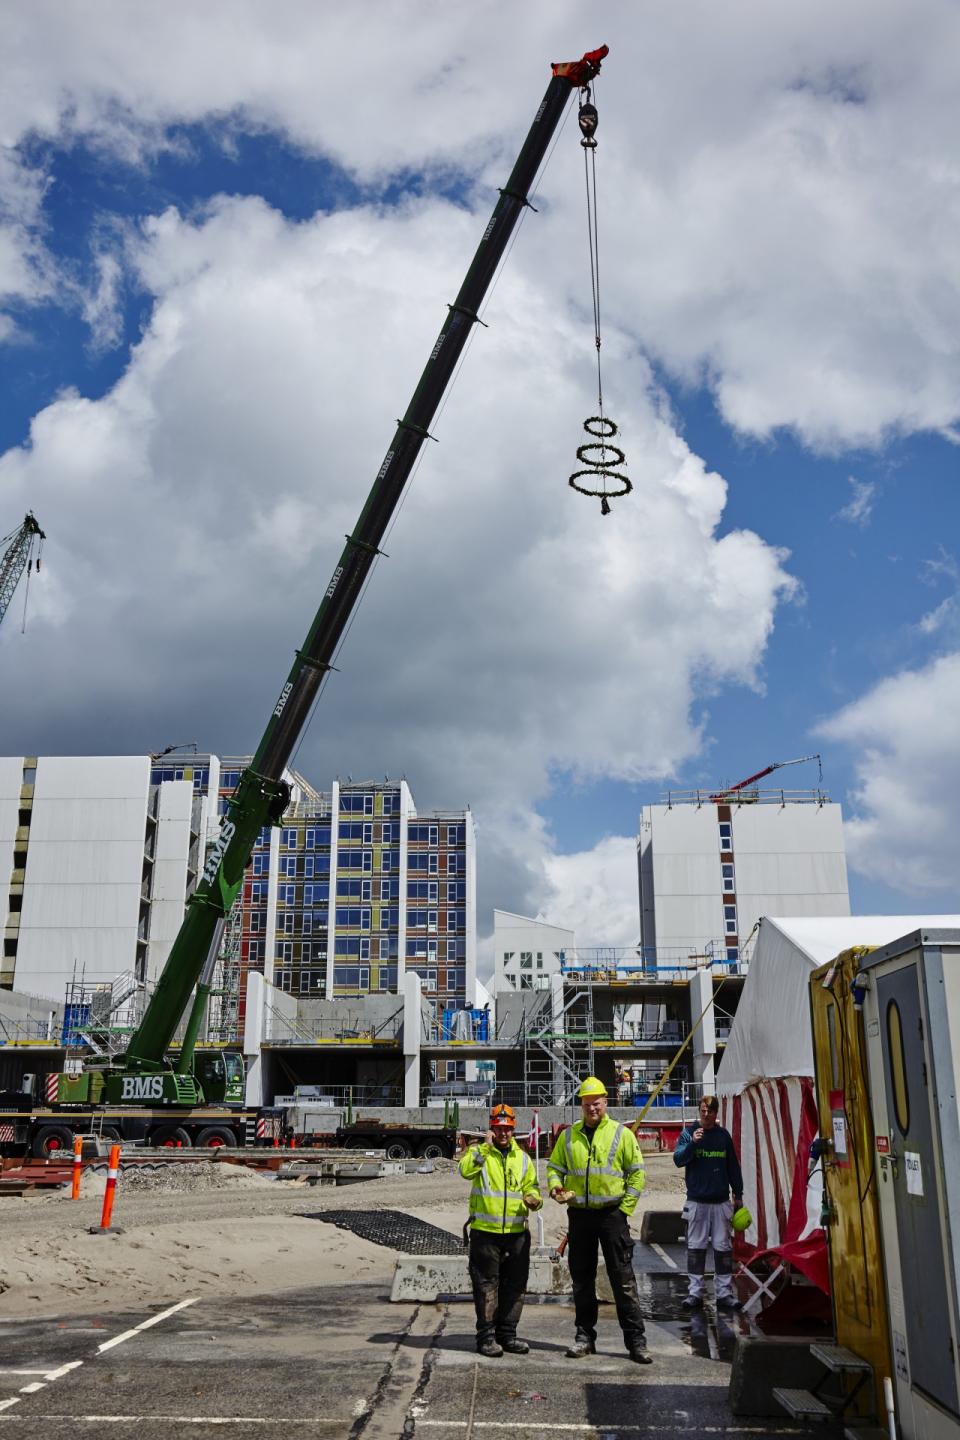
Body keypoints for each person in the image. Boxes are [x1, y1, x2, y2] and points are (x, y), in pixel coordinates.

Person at [547, 1076, 651, 1364]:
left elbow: (637, 1173)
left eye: (597, 1103)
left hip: (612, 1216)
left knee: (623, 1280)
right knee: (582, 1279)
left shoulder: (621, 1134)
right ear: (581, 1104)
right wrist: (556, 1187)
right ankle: (584, 1337)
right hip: (579, 1215)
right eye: (587, 1103)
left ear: (606, 1102)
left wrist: (625, 1209)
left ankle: (636, 1341)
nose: (592, 1108)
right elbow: (554, 1167)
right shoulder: (568, 1136)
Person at [459, 1102, 542, 1358]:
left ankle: (508, 1335)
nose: (503, 1133)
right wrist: (485, 1147)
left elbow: (532, 1186)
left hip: (516, 1233)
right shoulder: (481, 1154)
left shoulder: (523, 1159)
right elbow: (465, 1171)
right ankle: (486, 1337)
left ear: (513, 1129)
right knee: (486, 1286)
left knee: (515, 1286)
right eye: (498, 1128)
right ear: (492, 1129)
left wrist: (534, 1198)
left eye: (507, 1129)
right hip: (486, 1232)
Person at [673, 1094, 744, 1311]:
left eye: (710, 1111)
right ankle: (695, 1293)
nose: (706, 1115)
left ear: (716, 1114)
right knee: (695, 1248)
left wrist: (738, 1193)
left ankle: (724, 1294)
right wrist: (693, 1144)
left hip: (721, 1201)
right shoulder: (688, 1134)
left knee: (723, 1249)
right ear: (699, 1111)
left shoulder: (723, 1136)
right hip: (697, 1202)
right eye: (703, 1111)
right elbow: (678, 1159)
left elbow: (732, 1165)